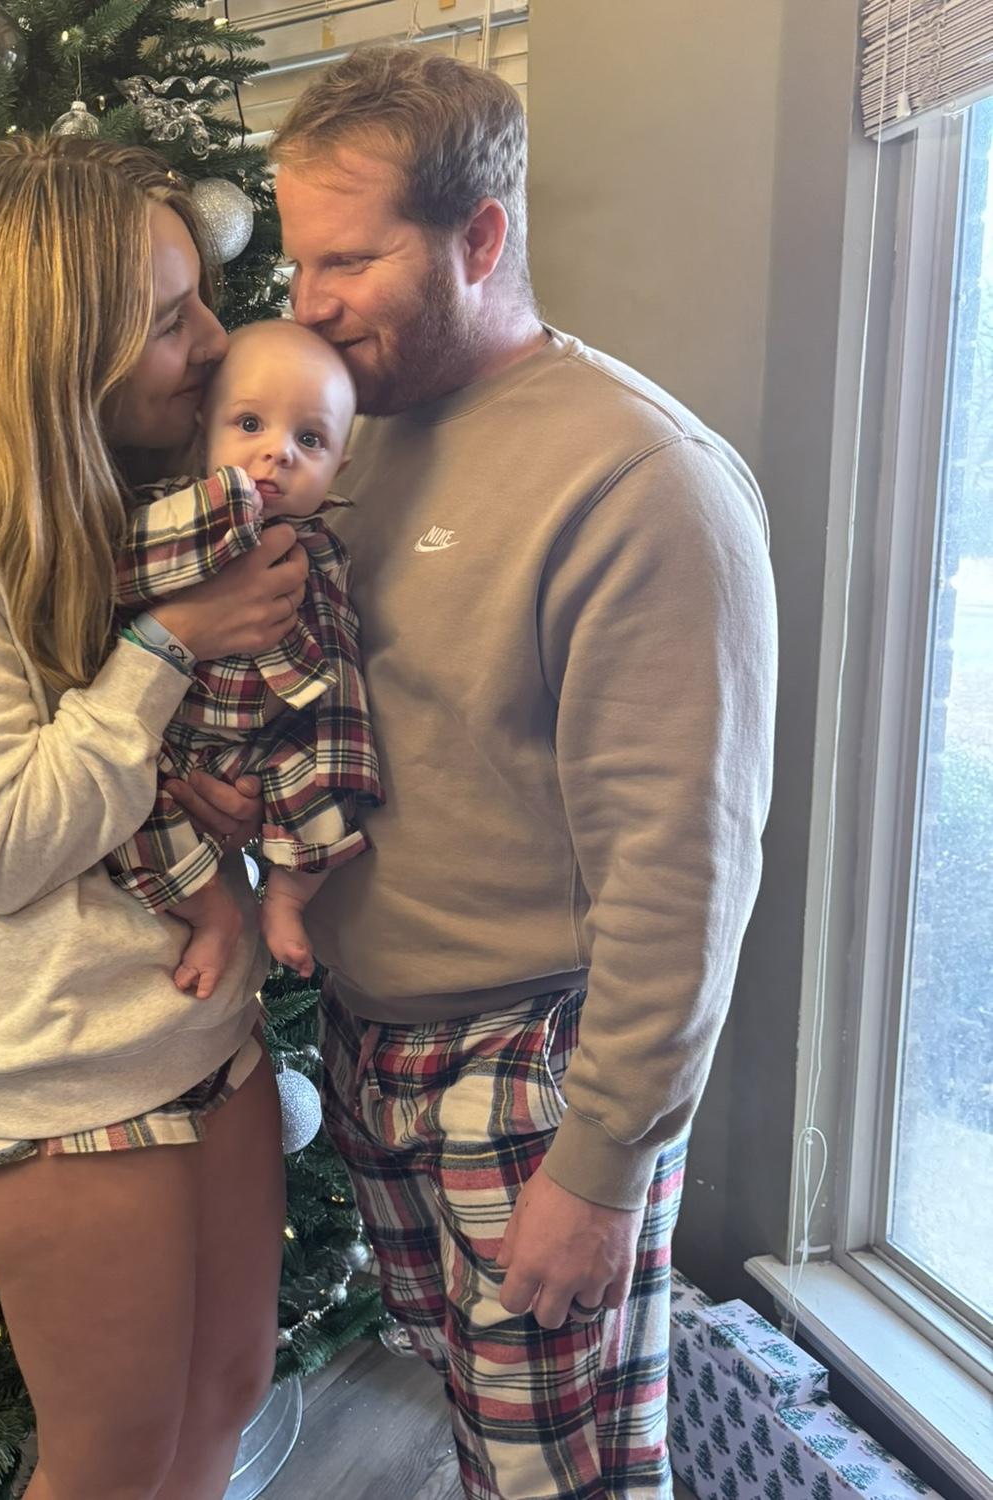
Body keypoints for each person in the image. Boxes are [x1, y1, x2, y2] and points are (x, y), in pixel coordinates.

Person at [174, 44, 778, 1500]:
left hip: (532, 1069)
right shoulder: (343, 437)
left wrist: (602, 1168)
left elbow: (684, 867)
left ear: (483, 236)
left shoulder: (641, 481)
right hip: (374, 1042)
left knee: (559, 1477)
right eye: (298, 257)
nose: (308, 299)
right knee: (484, 1436)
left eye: (350, 259)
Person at [0, 137, 308, 1500]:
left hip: (204, 1032)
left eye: (199, 299)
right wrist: (173, 643)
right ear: (62, 348)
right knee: (110, 1460)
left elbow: (181, 749)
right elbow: (3, 844)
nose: (210, 343)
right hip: (60, 1066)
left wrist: (233, 801)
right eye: (167, 319)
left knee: (226, 1395)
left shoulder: (133, 481)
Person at [107, 318, 382, 999]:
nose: (277, 453)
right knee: (130, 814)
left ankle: (285, 896)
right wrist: (230, 504)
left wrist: (334, 741)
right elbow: (122, 571)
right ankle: (212, 914)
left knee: (326, 789)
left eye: (309, 441)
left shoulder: (324, 550)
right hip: (173, 741)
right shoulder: (172, 511)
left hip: (273, 741)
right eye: (250, 424)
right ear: (205, 431)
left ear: (338, 468)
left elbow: (338, 652)